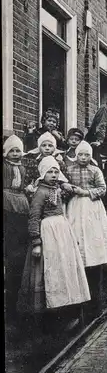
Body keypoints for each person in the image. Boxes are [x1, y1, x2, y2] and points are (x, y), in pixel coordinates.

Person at [17, 156, 90, 330]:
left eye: (56, 171)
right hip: (48, 234)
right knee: (50, 271)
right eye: (50, 171)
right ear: (42, 173)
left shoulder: (56, 188)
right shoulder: (40, 192)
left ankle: (66, 309)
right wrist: (36, 241)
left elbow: (69, 191)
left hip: (62, 234)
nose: (54, 174)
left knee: (63, 269)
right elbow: (34, 217)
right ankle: (49, 317)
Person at [65, 141, 107, 320]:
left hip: (91, 207)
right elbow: (65, 185)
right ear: (76, 155)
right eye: (80, 155)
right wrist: (69, 189)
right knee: (76, 231)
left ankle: (96, 301)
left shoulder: (95, 170)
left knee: (92, 235)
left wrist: (86, 193)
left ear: (90, 156)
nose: (83, 158)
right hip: (75, 206)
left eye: (86, 155)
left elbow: (102, 188)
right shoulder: (70, 169)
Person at [3, 135, 30, 324]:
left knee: (18, 252)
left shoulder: (22, 167)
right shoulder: (4, 166)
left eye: (18, 150)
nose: (15, 154)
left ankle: (14, 306)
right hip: (6, 203)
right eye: (11, 150)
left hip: (20, 204)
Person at [23, 132, 66, 198]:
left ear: (54, 148)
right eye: (44, 145)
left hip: (55, 192)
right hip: (38, 193)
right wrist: (29, 186)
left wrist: (63, 187)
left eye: (50, 146)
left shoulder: (59, 163)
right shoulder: (34, 163)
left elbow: (64, 179)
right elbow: (28, 178)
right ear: (39, 147)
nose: (47, 148)